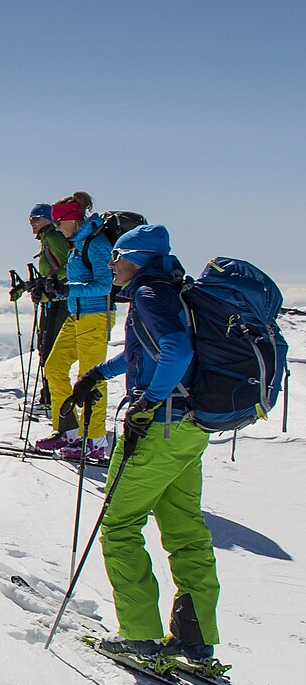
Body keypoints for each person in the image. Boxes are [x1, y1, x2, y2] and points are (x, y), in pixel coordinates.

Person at [71, 223, 220, 662]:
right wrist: (98, 374)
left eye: (116, 257)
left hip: (158, 429)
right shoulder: (172, 291)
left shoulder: (149, 294)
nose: (111, 265)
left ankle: (138, 634)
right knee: (186, 531)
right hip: (188, 430)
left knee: (119, 526)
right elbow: (143, 351)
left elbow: (176, 351)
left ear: (135, 259)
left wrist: (147, 402)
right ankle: (195, 636)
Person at [36, 198, 114, 461]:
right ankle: (69, 431)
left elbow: (105, 285)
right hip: (77, 314)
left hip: (96, 316)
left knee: (90, 378)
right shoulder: (79, 244)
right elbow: (76, 284)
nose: (57, 227)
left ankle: (95, 440)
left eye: (59, 222)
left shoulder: (97, 243)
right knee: (54, 367)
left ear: (72, 218)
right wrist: (53, 291)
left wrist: (68, 289)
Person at [17, 201, 74, 420]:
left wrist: (49, 283)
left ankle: (51, 400)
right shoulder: (47, 238)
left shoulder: (53, 237)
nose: (31, 223)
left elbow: (67, 267)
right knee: (47, 349)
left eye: (35, 219)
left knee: (49, 351)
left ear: (48, 219)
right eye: (30, 219)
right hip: (53, 301)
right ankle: (49, 398)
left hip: (57, 303)